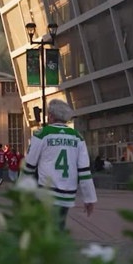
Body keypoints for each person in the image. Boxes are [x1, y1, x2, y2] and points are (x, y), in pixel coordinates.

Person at [19, 98, 97, 231]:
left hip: (46, 190)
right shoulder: (77, 137)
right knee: (59, 225)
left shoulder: (42, 134)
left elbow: (29, 166)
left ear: (50, 116)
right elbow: (84, 171)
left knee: (42, 228)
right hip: (68, 193)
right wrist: (89, 198)